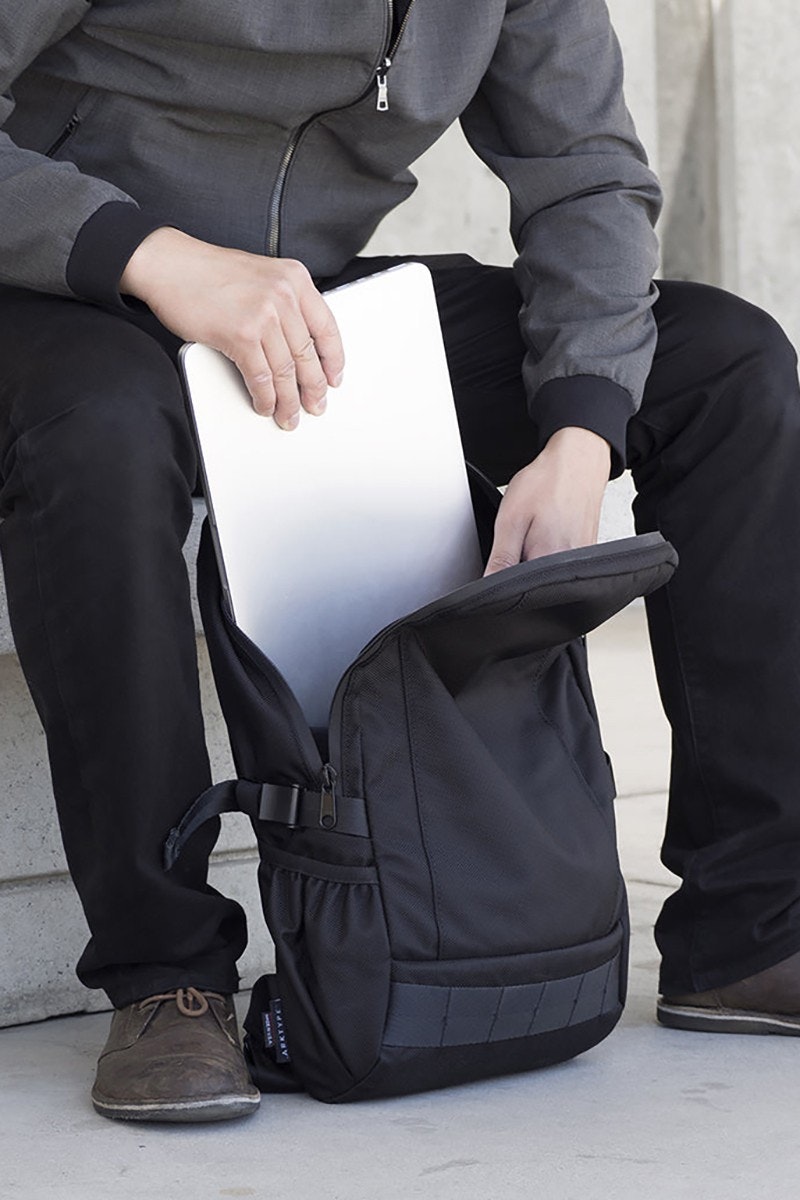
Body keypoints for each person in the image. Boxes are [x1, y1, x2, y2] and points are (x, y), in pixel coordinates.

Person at [2, 0, 800, 1124]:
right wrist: (155, 257)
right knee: (103, 433)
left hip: (293, 297)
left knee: (726, 367)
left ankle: (748, 933)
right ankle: (165, 977)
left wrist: (582, 432)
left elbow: (585, 178)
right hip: (62, 287)